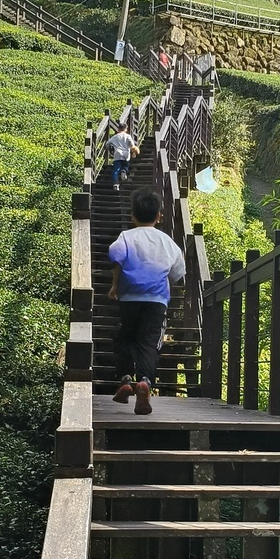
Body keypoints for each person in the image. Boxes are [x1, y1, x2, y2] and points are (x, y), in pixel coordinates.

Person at [108, 187, 186, 414]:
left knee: (125, 337)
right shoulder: (167, 242)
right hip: (156, 299)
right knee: (149, 342)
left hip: (129, 297)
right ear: (159, 216)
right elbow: (177, 273)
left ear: (132, 215)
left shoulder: (126, 237)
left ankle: (124, 379)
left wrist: (114, 286)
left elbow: (115, 256)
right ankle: (144, 382)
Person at [106, 122, 139, 192]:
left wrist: (110, 149)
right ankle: (124, 171)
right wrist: (134, 153)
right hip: (126, 154)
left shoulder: (115, 137)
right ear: (126, 129)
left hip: (117, 154)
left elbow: (107, 144)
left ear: (118, 129)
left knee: (116, 170)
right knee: (125, 166)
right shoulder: (128, 136)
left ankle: (115, 184)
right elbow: (132, 146)